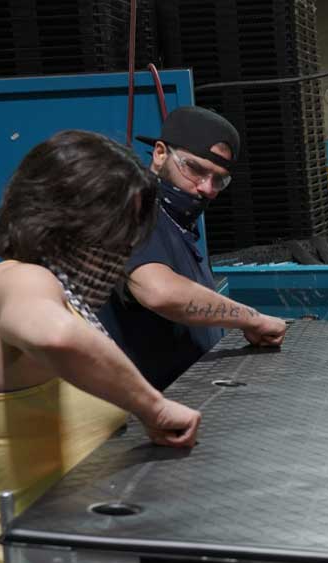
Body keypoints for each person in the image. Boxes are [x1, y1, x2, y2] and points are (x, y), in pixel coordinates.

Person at [0, 130, 202, 563]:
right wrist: (153, 408)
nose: (128, 245)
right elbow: (54, 335)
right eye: (121, 228)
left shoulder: (49, 303)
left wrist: (38, 491)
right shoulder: (18, 281)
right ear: (72, 216)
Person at [99, 106, 288, 391]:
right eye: (195, 170)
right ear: (160, 153)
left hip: (186, 395)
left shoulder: (176, 221)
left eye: (218, 180)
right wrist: (252, 319)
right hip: (146, 405)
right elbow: (160, 292)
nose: (206, 188)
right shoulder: (133, 209)